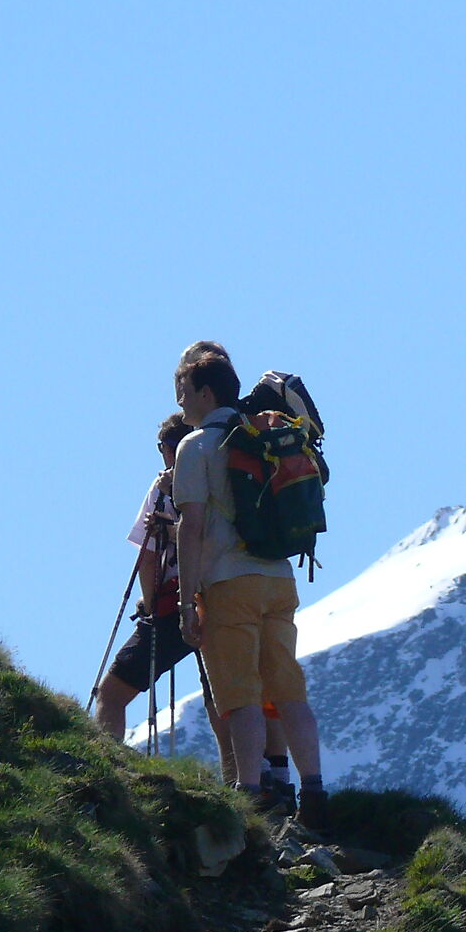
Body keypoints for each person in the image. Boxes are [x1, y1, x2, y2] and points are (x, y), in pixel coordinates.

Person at [171, 342, 330, 828]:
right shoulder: (263, 434)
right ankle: (315, 790)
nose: (179, 402)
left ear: (203, 390)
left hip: (227, 582)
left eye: (182, 391)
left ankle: (250, 792)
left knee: (239, 696)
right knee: (288, 690)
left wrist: (185, 603)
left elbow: (191, 525)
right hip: (279, 578)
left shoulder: (195, 446)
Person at [93, 413, 195, 745]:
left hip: (172, 603)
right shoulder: (219, 477)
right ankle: (254, 781)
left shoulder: (163, 488)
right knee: (222, 699)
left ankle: (106, 762)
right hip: (223, 596)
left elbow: (147, 553)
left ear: (170, 449)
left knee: (112, 692)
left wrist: (150, 605)